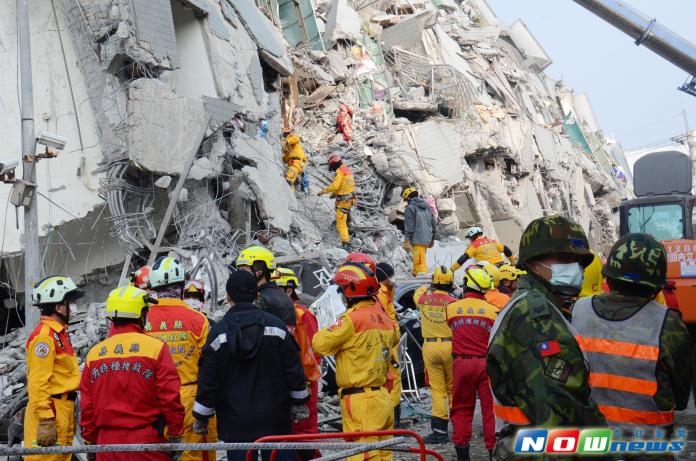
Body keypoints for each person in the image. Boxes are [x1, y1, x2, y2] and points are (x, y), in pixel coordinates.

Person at [486, 216, 607, 461]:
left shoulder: (540, 307)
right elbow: (558, 419)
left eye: (577, 261)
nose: (573, 268)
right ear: (533, 262)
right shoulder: (535, 317)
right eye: (563, 259)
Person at [572, 234, 693, 460]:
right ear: (656, 285)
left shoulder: (578, 311)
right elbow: (681, 397)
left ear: (609, 275)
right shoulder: (668, 324)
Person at [193, 270, 310, 461]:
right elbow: (293, 370)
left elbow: (209, 379)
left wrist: (201, 416)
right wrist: (299, 403)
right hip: (275, 421)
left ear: (228, 297)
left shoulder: (218, 334)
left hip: (235, 425)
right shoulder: (277, 328)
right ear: (257, 295)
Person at [80, 286, 184, 461]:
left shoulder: (94, 354)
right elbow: (169, 397)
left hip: (107, 445)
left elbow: (87, 407)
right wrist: (175, 433)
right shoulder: (155, 348)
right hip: (146, 443)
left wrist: (91, 441)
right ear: (140, 314)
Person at [313, 254, 399, 461]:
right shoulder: (385, 319)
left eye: (342, 290)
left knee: (362, 455)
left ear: (349, 292)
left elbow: (319, 344)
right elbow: (394, 338)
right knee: (383, 454)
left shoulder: (351, 320)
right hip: (382, 398)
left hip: (361, 401)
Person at [145, 257, 216, 461]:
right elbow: (210, 366)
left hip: (152, 400)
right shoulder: (198, 319)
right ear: (182, 286)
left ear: (154, 287)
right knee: (192, 455)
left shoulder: (142, 317)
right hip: (189, 399)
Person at [24, 276, 83, 461]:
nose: (74, 307)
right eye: (70, 302)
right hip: (51, 412)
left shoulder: (59, 334)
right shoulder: (45, 337)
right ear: (58, 307)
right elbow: (38, 381)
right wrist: (46, 418)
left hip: (62, 410)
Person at [446, 267, 497, 461]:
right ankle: (493, 452)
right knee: (490, 410)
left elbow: (451, 325)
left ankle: (462, 455)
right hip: (486, 364)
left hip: (461, 363)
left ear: (467, 283)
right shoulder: (493, 311)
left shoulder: (451, 308)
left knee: (461, 409)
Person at [274, 267, 322, 461]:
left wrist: (302, 386)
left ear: (288, 290)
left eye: (277, 290)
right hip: (287, 384)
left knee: (304, 435)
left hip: (304, 383)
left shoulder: (302, 315)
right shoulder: (279, 313)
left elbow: (311, 355)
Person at [412, 266, 457, 444]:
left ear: (434, 282)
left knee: (437, 390)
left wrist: (427, 285)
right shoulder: (454, 302)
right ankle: (458, 426)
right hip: (451, 346)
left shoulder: (423, 299)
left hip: (430, 347)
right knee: (453, 388)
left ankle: (439, 432)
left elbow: (418, 291)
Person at [235, 246, 296, 327]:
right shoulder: (282, 296)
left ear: (259, 271)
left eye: (244, 271)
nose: (240, 275)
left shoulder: (260, 299)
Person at [376, 262, 403, 427]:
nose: (392, 279)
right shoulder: (380, 294)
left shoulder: (387, 291)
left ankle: (393, 419)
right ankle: (393, 421)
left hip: (391, 341)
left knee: (395, 378)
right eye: (390, 276)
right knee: (393, 379)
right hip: (386, 343)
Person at [318, 154, 356, 248]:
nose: (332, 169)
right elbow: (345, 184)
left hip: (344, 201)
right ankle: (349, 224)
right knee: (346, 214)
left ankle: (346, 243)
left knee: (341, 224)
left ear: (334, 164)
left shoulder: (339, 172)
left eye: (332, 167)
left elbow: (335, 186)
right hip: (351, 199)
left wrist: (324, 191)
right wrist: (335, 194)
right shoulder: (347, 169)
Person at [402, 187, 437, 276]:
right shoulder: (427, 207)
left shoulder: (410, 208)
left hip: (417, 241)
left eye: (406, 200)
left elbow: (409, 227)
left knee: (419, 264)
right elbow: (434, 223)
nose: (407, 202)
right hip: (426, 240)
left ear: (408, 198)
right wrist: (432, 238)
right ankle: (415, 274)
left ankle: (423, 284)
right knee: (419, 260)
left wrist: (407, 240)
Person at [451, 227, 515, 272]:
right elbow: (506, 249)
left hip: (489, 269)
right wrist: (512, 263)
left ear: (472, 237)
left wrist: (452, 269)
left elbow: (464, 258)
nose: (470, 240)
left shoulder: (473, 245)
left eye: (469, 238)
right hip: (502, 266)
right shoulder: (492, 241)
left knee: (469, 269)